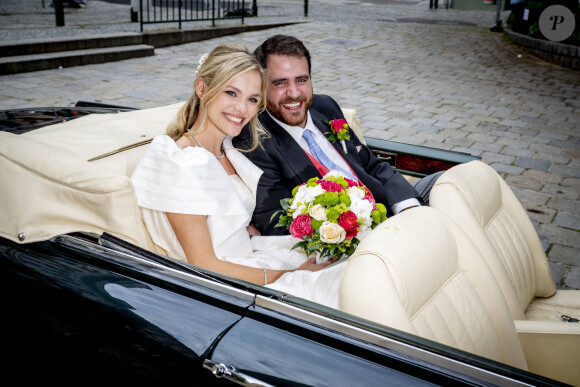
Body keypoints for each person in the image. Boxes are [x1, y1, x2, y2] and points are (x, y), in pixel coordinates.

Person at [131, 44, 344, 308]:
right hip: (230, 287)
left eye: (253, 99)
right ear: (202, 89)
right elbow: (205, 265)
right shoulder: (183, 163)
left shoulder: (228, 152)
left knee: (349, 262)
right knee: (340, 288)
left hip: (254, 259)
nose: (242, 109)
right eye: (231, 93)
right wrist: (290, 276)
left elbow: (230, 223)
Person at [233, 35, 442, 236]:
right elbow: (275, 222)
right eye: (280, 83)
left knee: (453, 179)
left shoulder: (324, 107)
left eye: (301, 80)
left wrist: (408, 208)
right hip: (357, 238)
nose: (294, 93)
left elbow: (372, 166)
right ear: (261, 86)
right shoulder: (255, 142)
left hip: (391, 206)